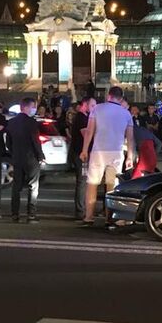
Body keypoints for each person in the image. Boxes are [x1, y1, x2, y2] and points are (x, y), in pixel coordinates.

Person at [79, 87, 135, 226]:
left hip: (98, 152)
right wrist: (130, 156)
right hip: (116, 152)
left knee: (92, 184)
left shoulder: (97, 109)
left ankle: (89, 217)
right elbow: (130, 137)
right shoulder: (126, 113)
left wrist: (84, 150)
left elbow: (89, 131)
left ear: (108, 96)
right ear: (121, 98)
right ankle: (109, 218)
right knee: (112, 185)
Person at [6, 98, 46, 223]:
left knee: (16, 187)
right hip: (31, 158)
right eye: (33, 107)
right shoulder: (32, 123)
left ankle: (15, 214)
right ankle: (31, 214)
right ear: (26, 107)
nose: (34, 109)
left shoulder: (11, 122)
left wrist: (14, 153)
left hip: (17, 158)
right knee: (33, 186)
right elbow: (35, 141)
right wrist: (40, 156)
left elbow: (8, 142)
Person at [70, 97, 95, 221]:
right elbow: (86, 134)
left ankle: (82, 209)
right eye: (92, 105)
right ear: (85, 105)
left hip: (82, 153)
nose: (94, 108)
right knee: (82, 181)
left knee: (84, 181)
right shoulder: (81, 118)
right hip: (81, 154)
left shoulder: (85, 117)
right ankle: (80, 211)